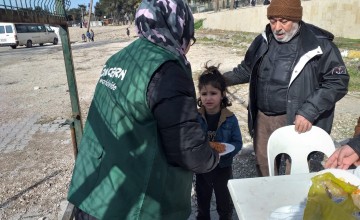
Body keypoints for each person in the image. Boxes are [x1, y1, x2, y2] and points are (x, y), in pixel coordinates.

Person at [67, 0, 219, 219]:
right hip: (134, 207)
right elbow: (188, 151)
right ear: (179, 27)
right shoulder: (167, 69)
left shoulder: (119, 58)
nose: (187, 47)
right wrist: (213, 157)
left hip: (93, 192)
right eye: (189, 38)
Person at [223, 0, 349, 176]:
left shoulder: (318, 44)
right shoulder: (262, 40)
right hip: (263, 119)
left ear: (296, 18)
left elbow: (337, 81)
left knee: (295, 172)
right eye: (273, 21)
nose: (277, 28)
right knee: (264, 166)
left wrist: (309, 111)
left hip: (296, 120)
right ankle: (270, 200)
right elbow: (246, 69)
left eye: (284, 21)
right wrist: (220, 80)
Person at [195, 64, 242, 220]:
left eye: (213, 93)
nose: (208, 98)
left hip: (223, 167)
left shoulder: (230, 118)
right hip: (203, 167)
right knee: (202, 201)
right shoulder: (195, 118)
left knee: (224, 202)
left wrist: (229, 149)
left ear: (222, 95)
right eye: (204, 94)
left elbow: (238, 142)